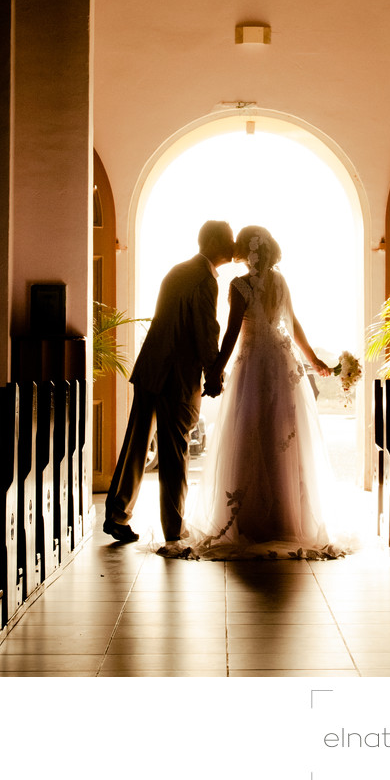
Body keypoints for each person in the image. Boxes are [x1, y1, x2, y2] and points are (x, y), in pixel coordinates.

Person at [172, 226, 355, 559]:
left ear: (247, 251)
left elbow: (230, 334)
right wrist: (313, 360)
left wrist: (215, 370)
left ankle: (252, 520)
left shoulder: (240, 285)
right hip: (282, 362)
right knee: (280, 435)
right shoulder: (280, 282)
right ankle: (286, 520)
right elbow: (293, 324)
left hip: (253, 362)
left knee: (250, 433)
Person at [103, 220, 235, 543]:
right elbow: (206, 329)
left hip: (151, 367)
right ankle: (174, 529)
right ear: (214, 240)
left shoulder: (178, 271)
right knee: (175, 452)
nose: (233, 245)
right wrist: (213, 373)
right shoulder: (205, 279)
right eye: (228, 238)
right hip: (176, 375)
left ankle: (117, 515)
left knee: (136, 446)